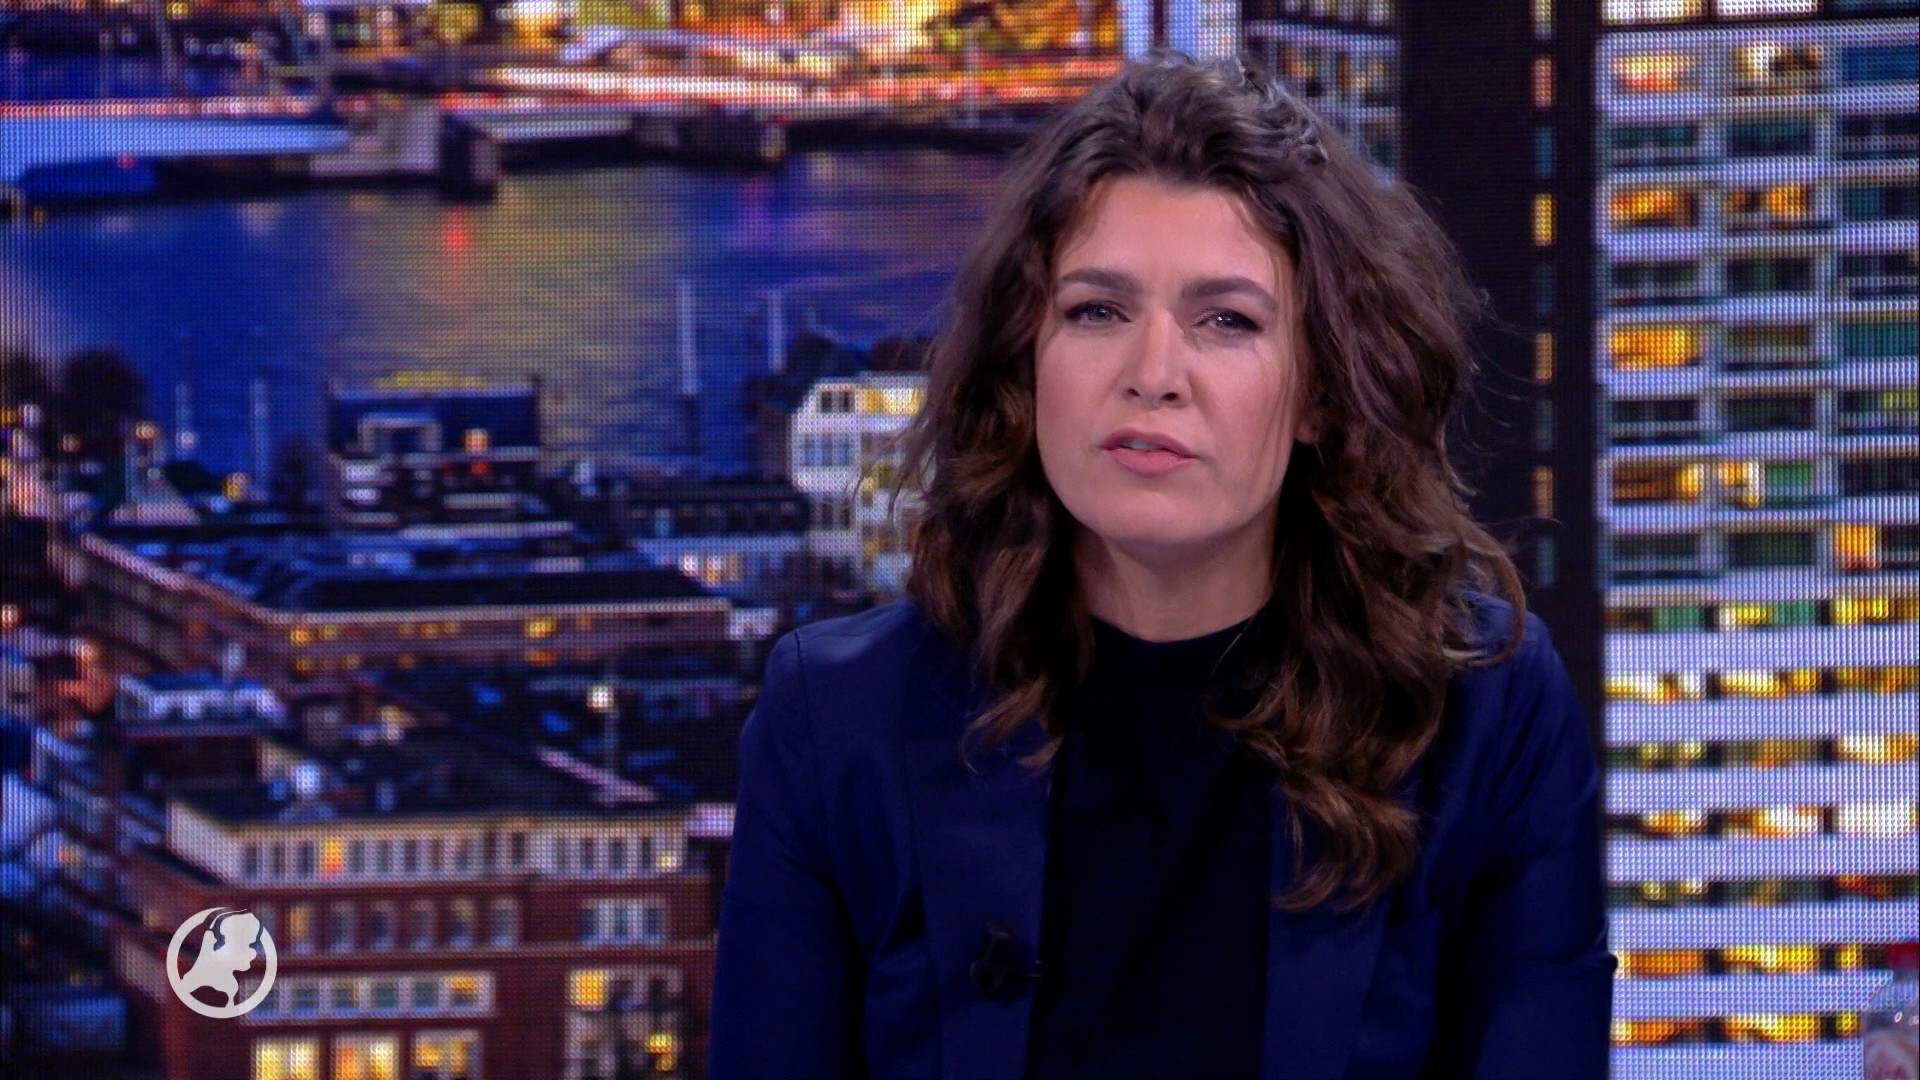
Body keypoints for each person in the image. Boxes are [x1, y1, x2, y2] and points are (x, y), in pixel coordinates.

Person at [708, 48, 1615, 1080]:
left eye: (1227, 321)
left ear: (1322, 393)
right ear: (1025, 362)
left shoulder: (1487, 716)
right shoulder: (835, 725)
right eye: (1097, 311)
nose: (1153, 374)